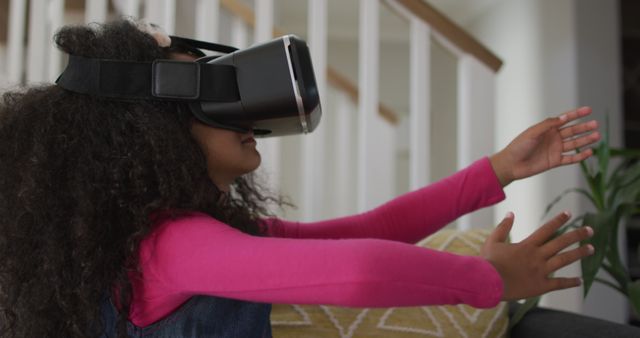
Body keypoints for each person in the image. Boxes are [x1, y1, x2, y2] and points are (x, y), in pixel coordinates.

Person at [0, 19, 601, 338]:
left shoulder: (180, 235)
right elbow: (359, 272)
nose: (247, 117)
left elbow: (366, 233)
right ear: (151, 133)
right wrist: (488, 279)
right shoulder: (169, 246)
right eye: (213, 94)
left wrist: (498, 170)